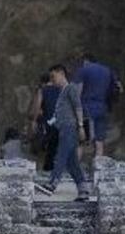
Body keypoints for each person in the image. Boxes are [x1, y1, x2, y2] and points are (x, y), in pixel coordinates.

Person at [36, 65, 90, 200]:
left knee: (61, 155)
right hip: (63, 127)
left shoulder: (71, 88)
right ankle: (83, 190)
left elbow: (78, 107)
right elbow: (60, 112)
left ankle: (52, 184)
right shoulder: (62, 92)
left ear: (61, 74)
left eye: (53, 76)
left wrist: (81, 126)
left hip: (70, 128)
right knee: (72, 164)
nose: (52, 80)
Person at [73, 52, 122, 158]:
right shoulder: (108, 70)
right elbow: (119, 87)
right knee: (99, 140)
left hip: (86, 108)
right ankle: (98, 163)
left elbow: (77, 92)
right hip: (102, 108)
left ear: (86, 61)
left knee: (80, 140)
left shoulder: (83, 71)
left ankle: (76, 165)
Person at [29, 70, 62, 171]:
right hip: (60, 123)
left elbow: (36, 108)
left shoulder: (42, 90)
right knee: (54, 150)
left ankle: (42, 171)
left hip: (47, 122)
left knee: (41, 149)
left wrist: (33, 121)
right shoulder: (62, 89)